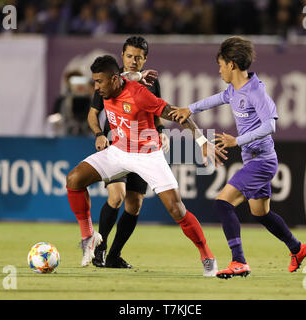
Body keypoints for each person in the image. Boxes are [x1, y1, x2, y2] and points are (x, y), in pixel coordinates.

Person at [66, 55, 226, 276]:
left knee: (176, 208)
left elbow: (176, 114)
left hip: (147, 155)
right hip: (118, 151)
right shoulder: (109, 85)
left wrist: (201, 141)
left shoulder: (139, 94)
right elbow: (123, 77)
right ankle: (88, 236)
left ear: (113, 79)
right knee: (74, 179)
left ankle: (207, 255)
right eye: (94, 81)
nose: (96, 87)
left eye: (99, 82)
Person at [169, 36, 306, 279]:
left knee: (222, 203)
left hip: (261, 161)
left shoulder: (255, 90)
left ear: (232, 64)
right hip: (254, 160)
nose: (220, 70)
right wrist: (189, 109)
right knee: (260, 213)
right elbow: (215, 99)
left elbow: (270, 125)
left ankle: (239, 261)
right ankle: (297, 248)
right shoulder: (233, 90)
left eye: (221, 65)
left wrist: (238, 141)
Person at [87, 36, 169, 269]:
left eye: (138, 57)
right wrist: (98, 134)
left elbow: (156, 111)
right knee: (117, 196)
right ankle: (99, 249)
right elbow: (93, 113)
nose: (133, 61)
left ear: (146, 59)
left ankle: (114, 255)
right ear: (122, 55)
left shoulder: (151, 82)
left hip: (143, 149)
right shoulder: (110, 78)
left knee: (134, 205)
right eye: (130, 56)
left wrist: (161, 130)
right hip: (117, 146)